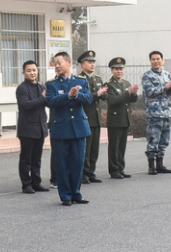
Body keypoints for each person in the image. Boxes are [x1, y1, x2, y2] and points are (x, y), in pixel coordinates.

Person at [45, 51, 92, 205]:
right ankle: (65, 195)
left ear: (68, 62)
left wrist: (77, 95)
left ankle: (76, 193)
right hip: (61, 129)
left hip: (78, 128)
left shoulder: (81, 81)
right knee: (62, 164)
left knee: (78, 163)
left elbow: (89, 99)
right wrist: (68, 95)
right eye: (55, 63)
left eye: (59, 62)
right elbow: (51, 101)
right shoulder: (51, 84)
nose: (56, 66)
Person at [141, 51, 171, 174]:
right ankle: (151, 166)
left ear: (162, 60)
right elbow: (149, 92)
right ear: (150, 61)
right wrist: (165, 86)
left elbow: (169, 93)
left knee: (164, 141)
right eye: (153, 59)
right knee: (153, 139)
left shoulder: (166, 74)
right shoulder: (147, 76)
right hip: (154, 113)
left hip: (166, 112)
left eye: (158, 59)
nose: (156, 61)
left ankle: (160, 164)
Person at [15, 60, 49, 193]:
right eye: (29, 70)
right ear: (23, 73)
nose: (32, 73)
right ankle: (26, 184)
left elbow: (47, 102)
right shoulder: (22, 88)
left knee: (37, 159)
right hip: (27, 129)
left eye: (34, 70)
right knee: (26, 159)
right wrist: (42, 98)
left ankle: (36, 182)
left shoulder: (41, 87)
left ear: (38, 71)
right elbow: (25, 105)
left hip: (40, 128)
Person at [104, 57, 139, 179]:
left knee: (122, 147)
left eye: (121, 69)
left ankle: (121, 168)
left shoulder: (126, 83)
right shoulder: (109, 85)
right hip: (115, 120)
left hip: (125, 119)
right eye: (116, 69)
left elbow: (132, 100)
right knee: (114, 146)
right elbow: (112, 101)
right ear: (112, 70)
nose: (119, 71)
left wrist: (133, 94)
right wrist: (127, 93)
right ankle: (114, 170)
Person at [78, 51, 107, 184]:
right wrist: (97, 94)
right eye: (89, 62)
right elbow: (84, 98)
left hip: (96, 117)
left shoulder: (97, 78)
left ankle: (91, 172)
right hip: (85, 117)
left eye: (93, 62)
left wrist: (105, 94)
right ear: (82, 64)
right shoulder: (79, 79)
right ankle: (83, 173)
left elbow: (103, 97)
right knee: (86, 148)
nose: (92, 64)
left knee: (94, 147)